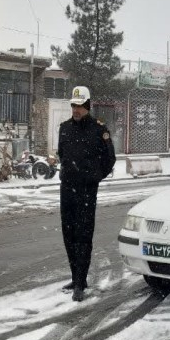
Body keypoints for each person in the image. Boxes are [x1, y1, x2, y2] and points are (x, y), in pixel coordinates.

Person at [57, 86, 116, 302]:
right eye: (73, 105)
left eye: (80, 106)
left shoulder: (99, 130)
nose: (76, 110)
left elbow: (110, 159)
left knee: (83, 236)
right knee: (69, 236)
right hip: (67, 190)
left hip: (86, 192)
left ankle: (81, 283)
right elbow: (62, 154)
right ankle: (75, 277)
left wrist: (94, 178)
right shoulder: (64, 129)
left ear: (88, 106)